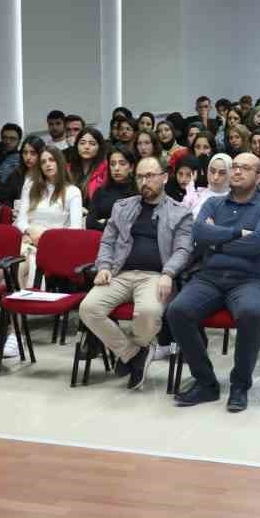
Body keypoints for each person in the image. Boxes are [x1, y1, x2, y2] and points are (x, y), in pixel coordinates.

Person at [167, 153, 260, 414]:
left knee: (251, 313)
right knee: (177, 311)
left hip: (249, 280)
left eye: (245, 168)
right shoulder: (213, 204)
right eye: (235, 167)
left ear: (259, 177)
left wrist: (217, 241)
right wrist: (235, 234)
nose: (238, 171)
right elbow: (199, 233)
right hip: (209, 277)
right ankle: (206, 383)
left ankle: (240, 385)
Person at [77, 156, 195, 390]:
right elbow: (107, 242)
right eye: (140, 176)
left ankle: (134, 353)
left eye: (150, 176)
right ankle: (135, 354)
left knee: (149, 312)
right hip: (120, 273)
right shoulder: (123, 207)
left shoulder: (180, 213)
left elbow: (183, 249)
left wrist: (168, 273)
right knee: (88, 309)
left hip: (155, 275)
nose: (144, 181)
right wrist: (103, 267)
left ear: (164, 177)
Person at [11, 146, 85, 290]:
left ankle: (21, 306)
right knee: (10, 266)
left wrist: (44, 237)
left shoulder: (72, 191)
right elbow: (21, 220)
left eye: (51, 160)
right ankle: (19, 307)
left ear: (60, 162)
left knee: (19, 266)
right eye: (43, 162)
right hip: (28, 240)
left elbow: (76, 230)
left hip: (55, 245)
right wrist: (29, 231)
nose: (47, 164)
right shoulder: (30, 186)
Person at [86, 147, 136, 232]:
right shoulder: (100, 192)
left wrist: (105, 222)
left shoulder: (138, 193)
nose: (116, 168)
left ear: (131, 167)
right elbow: (90, 224)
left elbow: (134, 226)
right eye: (112, 164)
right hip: (102, 241)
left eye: (122, 164)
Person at [67, 128, 105, 200]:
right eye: (82, 143)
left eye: (92, 144)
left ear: (99, 147)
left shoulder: (106, 168)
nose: (86, 147)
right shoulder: (67, 168)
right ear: (77, 146)